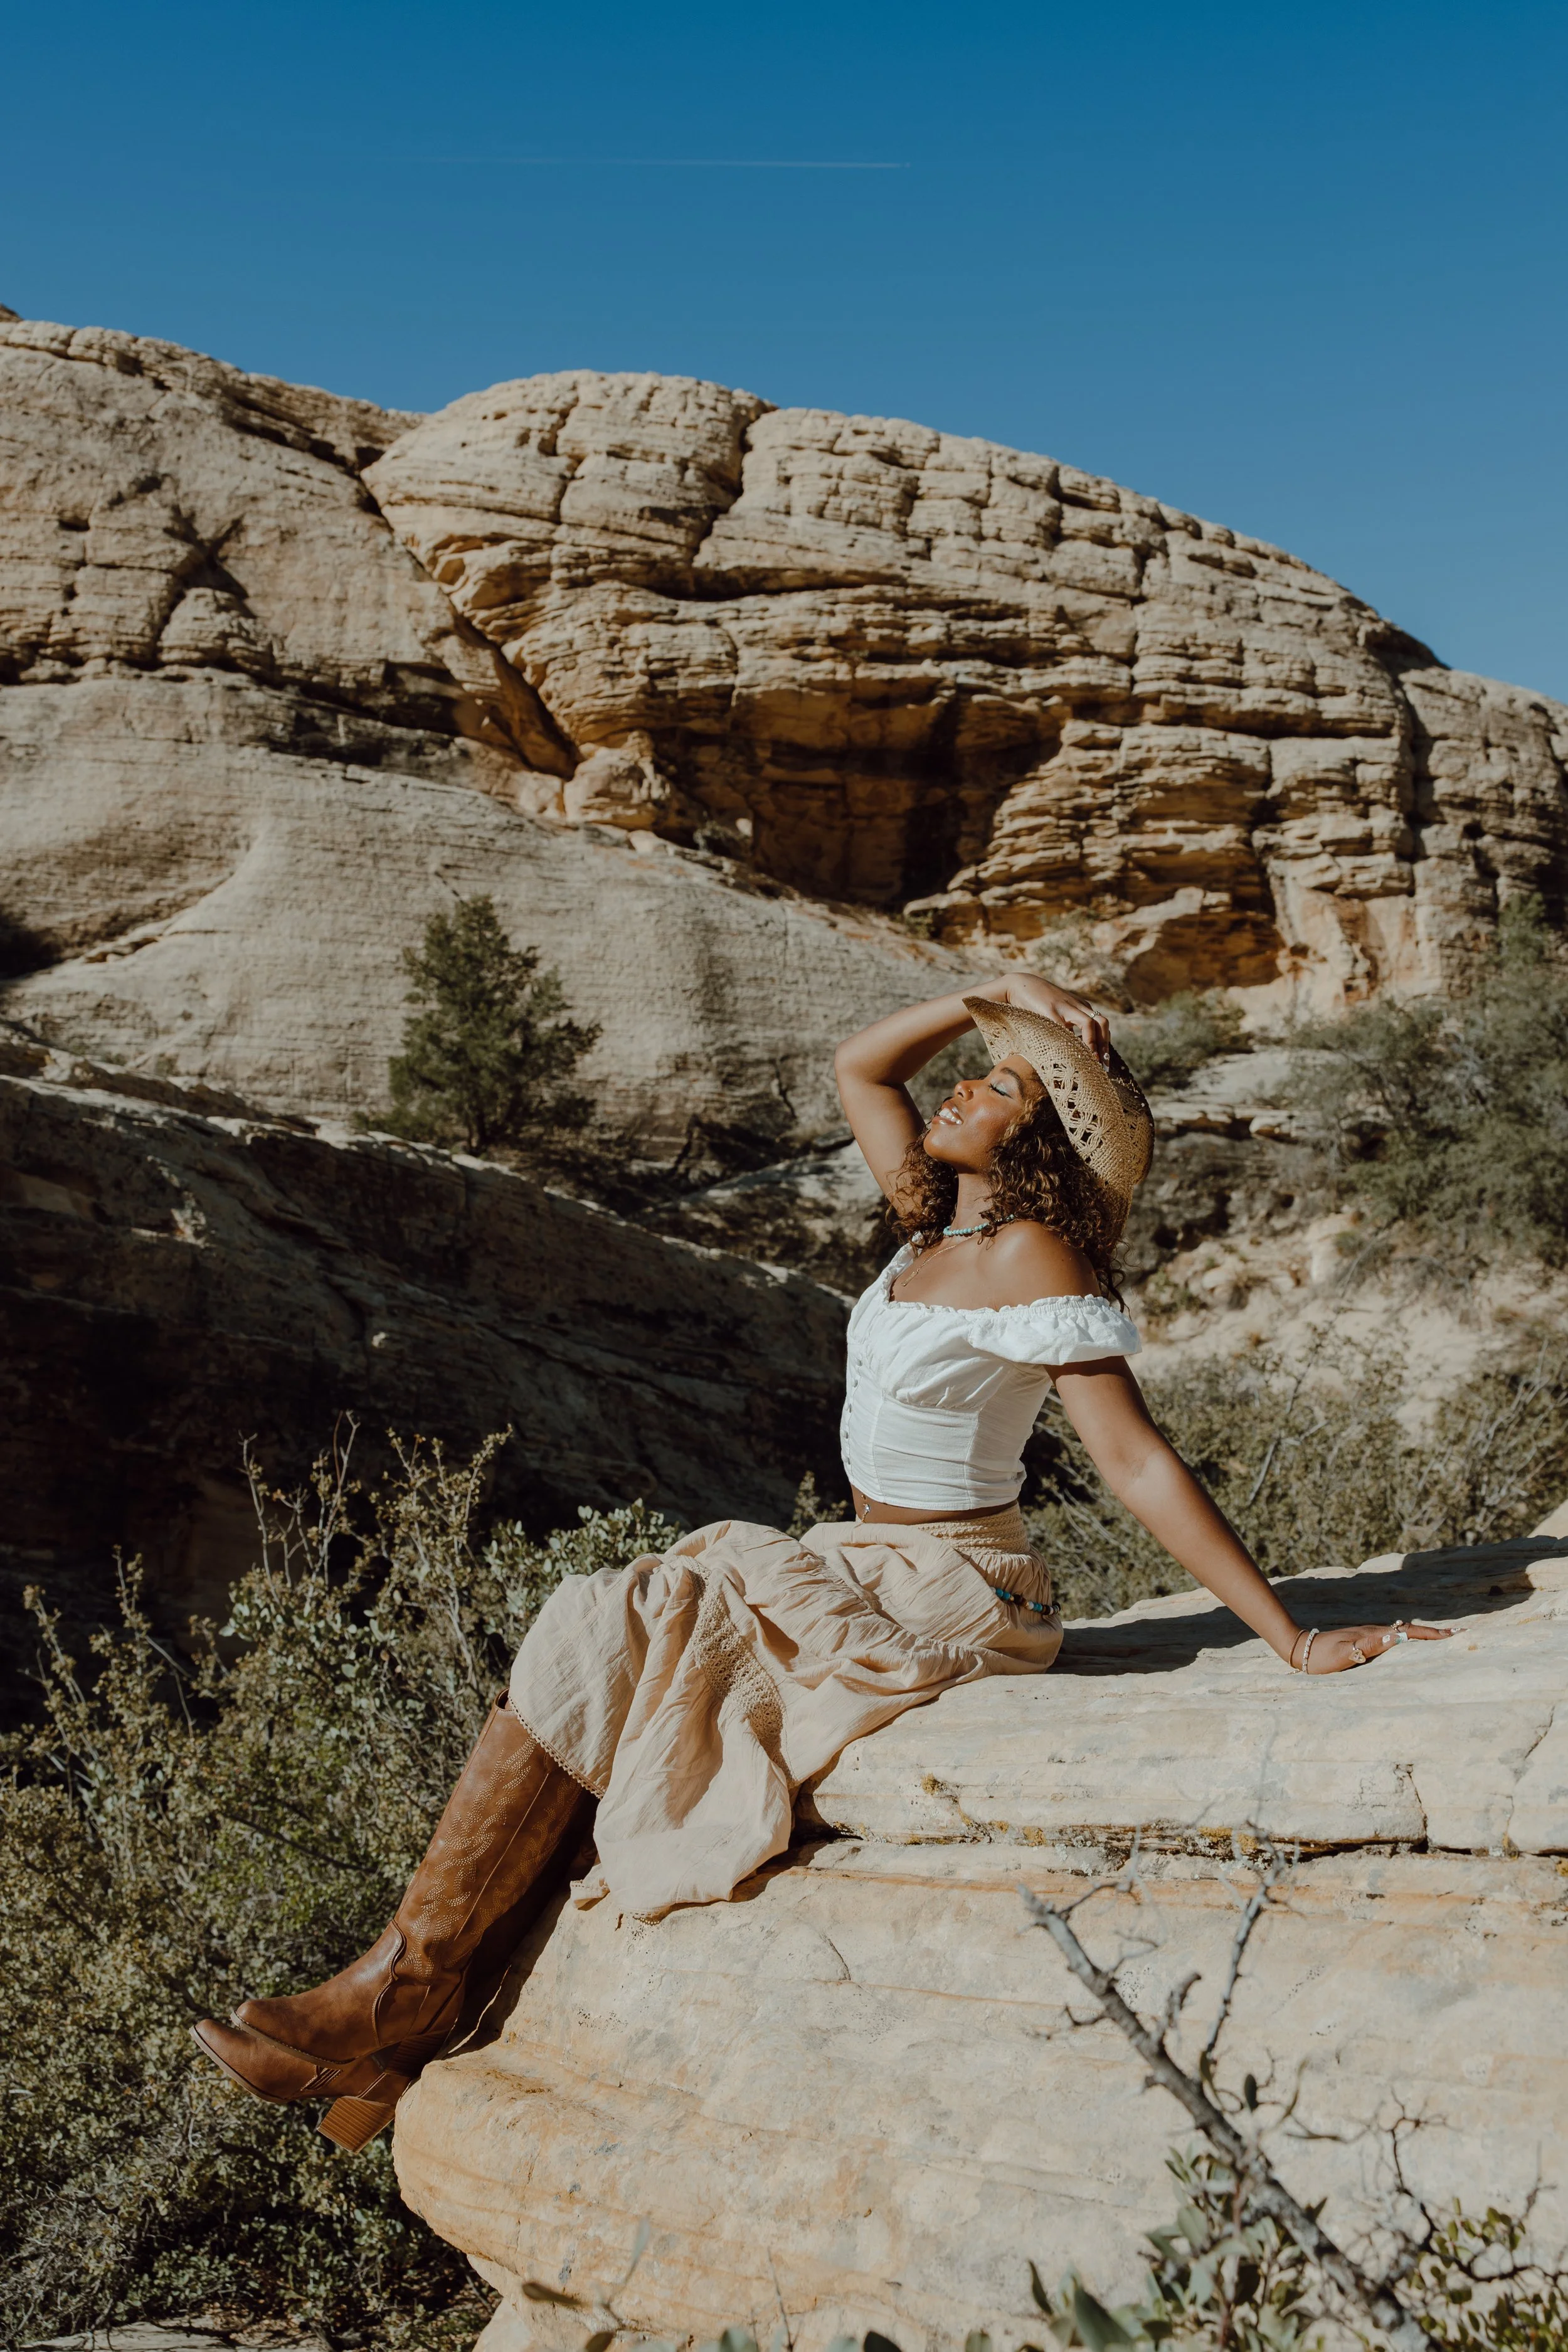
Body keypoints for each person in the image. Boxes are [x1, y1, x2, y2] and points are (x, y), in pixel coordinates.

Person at [193, 973, 1448, 2150]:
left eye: (1003, 1089)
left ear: (1042, 1146)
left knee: (634, 1619)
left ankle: (397, 2002)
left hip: (955, 1588)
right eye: (974, 1075)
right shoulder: (925, 1226)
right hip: (856, 1561)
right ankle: (398, 2002)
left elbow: (1131, 1461)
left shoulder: (1031, 1259)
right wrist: (987, 1002)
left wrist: (1285, 1636)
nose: (963, 1087)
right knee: (619, 1624)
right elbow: (859, 1067)